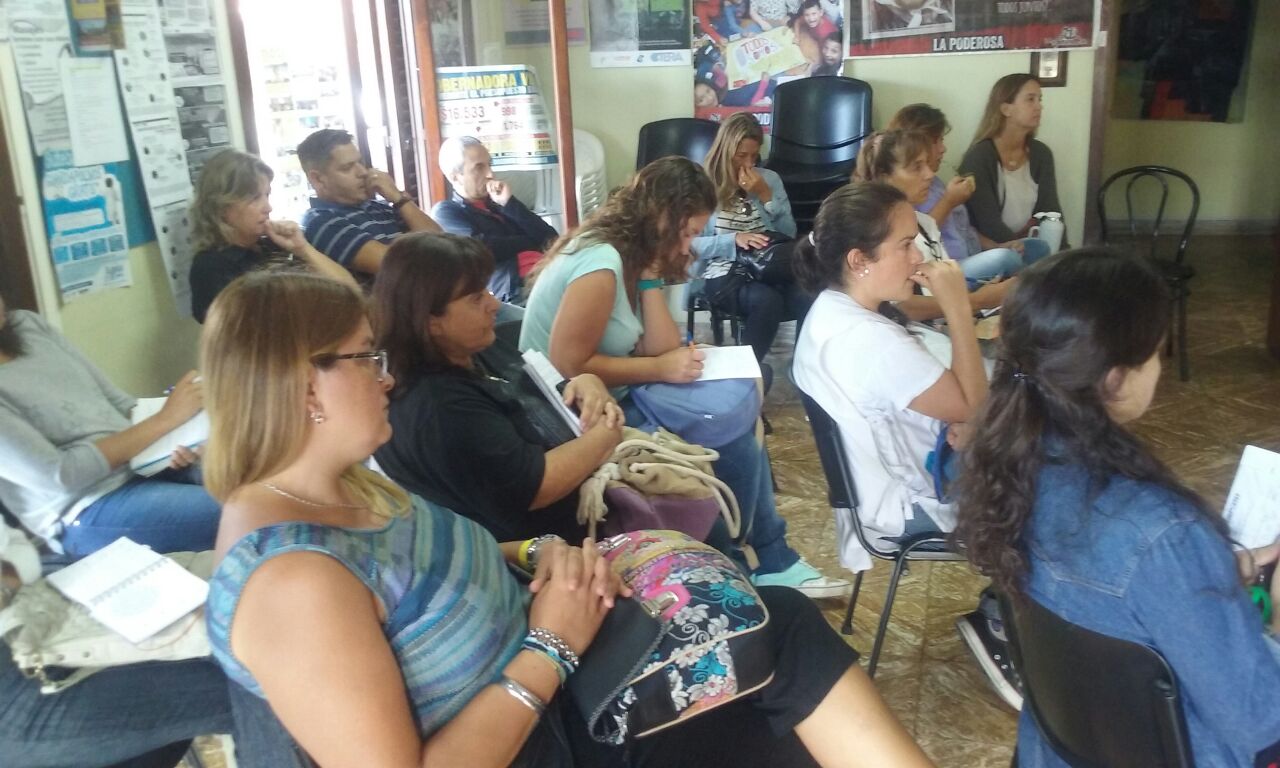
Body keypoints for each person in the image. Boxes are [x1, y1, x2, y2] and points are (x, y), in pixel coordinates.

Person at [199, 268, 934, 768]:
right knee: (783, 647)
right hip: (545, 736)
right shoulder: (293, 584)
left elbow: (426, 569)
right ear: (307, 389)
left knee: (773, 652)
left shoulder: (340, 484)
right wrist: (552, 643)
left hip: (554, 682)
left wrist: (535, 555)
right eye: (368, 359)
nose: (386, 377)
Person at [954, 248, 1280, 766]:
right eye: (1156, 352)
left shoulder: (1008, 471)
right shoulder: (1163, 533)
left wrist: (1216, 574)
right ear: (1114, 377)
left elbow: (1106, 598)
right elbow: (1262, 722)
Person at [519, 156, 848, 598]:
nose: (690, 245)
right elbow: (569, 366)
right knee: (728, 431)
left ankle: (761, 556)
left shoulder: (629, 257)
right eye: (689, 232)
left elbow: (660, 345)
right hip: (570, 411)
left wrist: (651, 278)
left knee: (736, 414)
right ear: (664, 218)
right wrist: (659, 368)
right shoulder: (601, 262)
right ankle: (758, 559)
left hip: (610, 394)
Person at [791, 181, 1020, 709]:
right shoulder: (868, 342)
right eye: (905, 244)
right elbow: (975, 407)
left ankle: (1007, 606)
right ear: (859, 260)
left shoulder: (832, 309)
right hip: (912, 502)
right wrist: (958, 307)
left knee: (1027, 434)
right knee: (1052, 477)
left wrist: (964, 421)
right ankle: (1004, 617)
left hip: (890, 479)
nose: (918, 256)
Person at [371, 232, 624, 543]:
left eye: (486, 290)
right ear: (430, 320)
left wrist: (585, 383)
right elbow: (537, 487)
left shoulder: (478, 348)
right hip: (550, 549)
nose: (493, 304)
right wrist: (606, 433)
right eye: (475, 298)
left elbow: (546, 389)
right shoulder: (439, 407)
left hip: (594, 494)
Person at [0, 518, 309, 768]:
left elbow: (17, 550)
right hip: (24, 658)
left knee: (250, 608)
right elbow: (60, 481)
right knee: (267, 676)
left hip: (44, 583)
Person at [0, 293, 217, 557]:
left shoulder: (27, 325)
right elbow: (61, 475)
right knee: (251, 507)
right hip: (88, 506)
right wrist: (166, 419)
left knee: (256, 474)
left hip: (143, 464)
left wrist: (181, 437)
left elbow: (120, 403)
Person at [852, 130, 1010, 322]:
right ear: (884, 177)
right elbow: (899, 307)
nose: (929, 174)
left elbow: (943, 288)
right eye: (916, 167)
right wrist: (978, 301)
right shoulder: (877, 232)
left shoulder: (926, 223)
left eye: (927, 164)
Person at [886, 104, 1050, 285]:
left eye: (942, 140)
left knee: (1037, 248)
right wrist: (949, 201)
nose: (943, 148)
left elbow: (965, 228)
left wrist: (996, 246)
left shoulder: (936, 182)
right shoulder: (907, 189)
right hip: (949, 268)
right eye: (936, 141)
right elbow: (920, 237)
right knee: (1006, 259)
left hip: (972, 255)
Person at [189, 149, 357, 323]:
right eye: (254, 198)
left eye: (267, 195)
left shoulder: (272, 245)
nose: (268, 208)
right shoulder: (211, 266)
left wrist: (303, 248)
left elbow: (349, 290)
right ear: (222, 207)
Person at [693, 112, 810, 364]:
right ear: (725, 151)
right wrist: (733, 240)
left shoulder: (769, 180)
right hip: (725, 270)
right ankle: (746, 371)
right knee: (767, 301)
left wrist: (766, 197)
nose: (748, 163)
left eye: (754, 156)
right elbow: (689, 245)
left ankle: (803, 366)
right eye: (741, 155)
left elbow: (788, 233)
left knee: (809, 294)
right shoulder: (702, 184)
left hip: (769, 264)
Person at [430, 136, 559, 303]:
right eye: (479, 167)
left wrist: (509, 202)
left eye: (489, 165)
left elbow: (551, 238)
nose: (490, 174)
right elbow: (481, 250)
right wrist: (530, 240)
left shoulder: (500, 204)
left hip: (548, 271)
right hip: (515, 288)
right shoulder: (447, 211)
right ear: (454, 176)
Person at [298, 128, 442, 278]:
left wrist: (399, 199)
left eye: (360, 162)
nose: (363, 172)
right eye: (347, 168)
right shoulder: (320, 220)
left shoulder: (381, 206)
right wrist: (416, 241)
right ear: (318, 179)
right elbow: (394, 265)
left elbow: (440, 244)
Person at [958, 75, 1066, 248]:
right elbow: (988, 223)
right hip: (990, 249)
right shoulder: (979, 157)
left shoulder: (1041, 154)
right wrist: (1022, 251)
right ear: (1006, 109)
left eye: (1039, 99)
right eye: (1030, 99)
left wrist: (1062, 254)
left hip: (1029, 243)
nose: (1039, 106)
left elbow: (1051, 212)